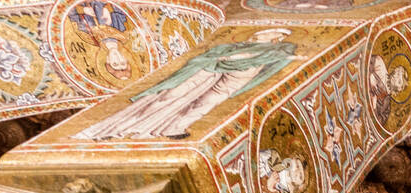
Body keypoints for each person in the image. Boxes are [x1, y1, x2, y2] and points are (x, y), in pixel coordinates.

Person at [74, 29, 301, 141]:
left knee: (205, 104)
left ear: (275, 38)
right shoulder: (233, 46)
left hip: (227, 81)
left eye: (268, 34)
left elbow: (277, 60)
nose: (261, 35)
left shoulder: (276, 51)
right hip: (205, 71)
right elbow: (207, 55)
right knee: (170, 96)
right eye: (262, 33)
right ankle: (120, 127)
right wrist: (217, 61)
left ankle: (170, 128)